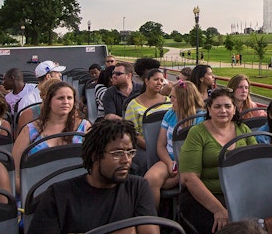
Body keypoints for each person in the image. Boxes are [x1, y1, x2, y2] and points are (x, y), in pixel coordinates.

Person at [27, 119, 159, 234]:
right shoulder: (58, 195)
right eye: (117, 153)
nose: (126, 160)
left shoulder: (138, 187)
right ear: (95, 156)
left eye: (130, 152)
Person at [179, 88, 257, 234]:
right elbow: (189, 178)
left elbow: (257, 163)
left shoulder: (243, 129)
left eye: (228, 106)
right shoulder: (197, 133)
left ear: (234, 109)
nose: (223, 110)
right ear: (209, 109)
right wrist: (218, 210)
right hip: (206, 197)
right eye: (217, 106)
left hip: (240, 194)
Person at [12, 80, 91, 194]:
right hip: (39, 194)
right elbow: (15, 173)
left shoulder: (84, 127)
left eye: (69, 98)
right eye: (60, 98)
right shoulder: (29, 130)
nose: (66, 102)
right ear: (49, 101)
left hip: (77, 193)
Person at [143, 80, 205, 208]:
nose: (170, 99)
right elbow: (161, 145)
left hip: (193, 165)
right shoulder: (170, 114)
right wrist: (169, 163)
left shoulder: (201, 119)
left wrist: (182, 171)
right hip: (170, 159)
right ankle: (153, 219)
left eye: (173, 97)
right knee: (150, 180)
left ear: (184, 99)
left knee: (169, 183)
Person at [124, 69, 171, 173]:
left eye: (161, 80)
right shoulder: (133, 105)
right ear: (146, 81)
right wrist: (151, 147)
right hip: (144, 146)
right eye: (155, 79)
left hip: (167, 145)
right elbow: (131, 132)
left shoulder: (169, 102)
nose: (159, 83)